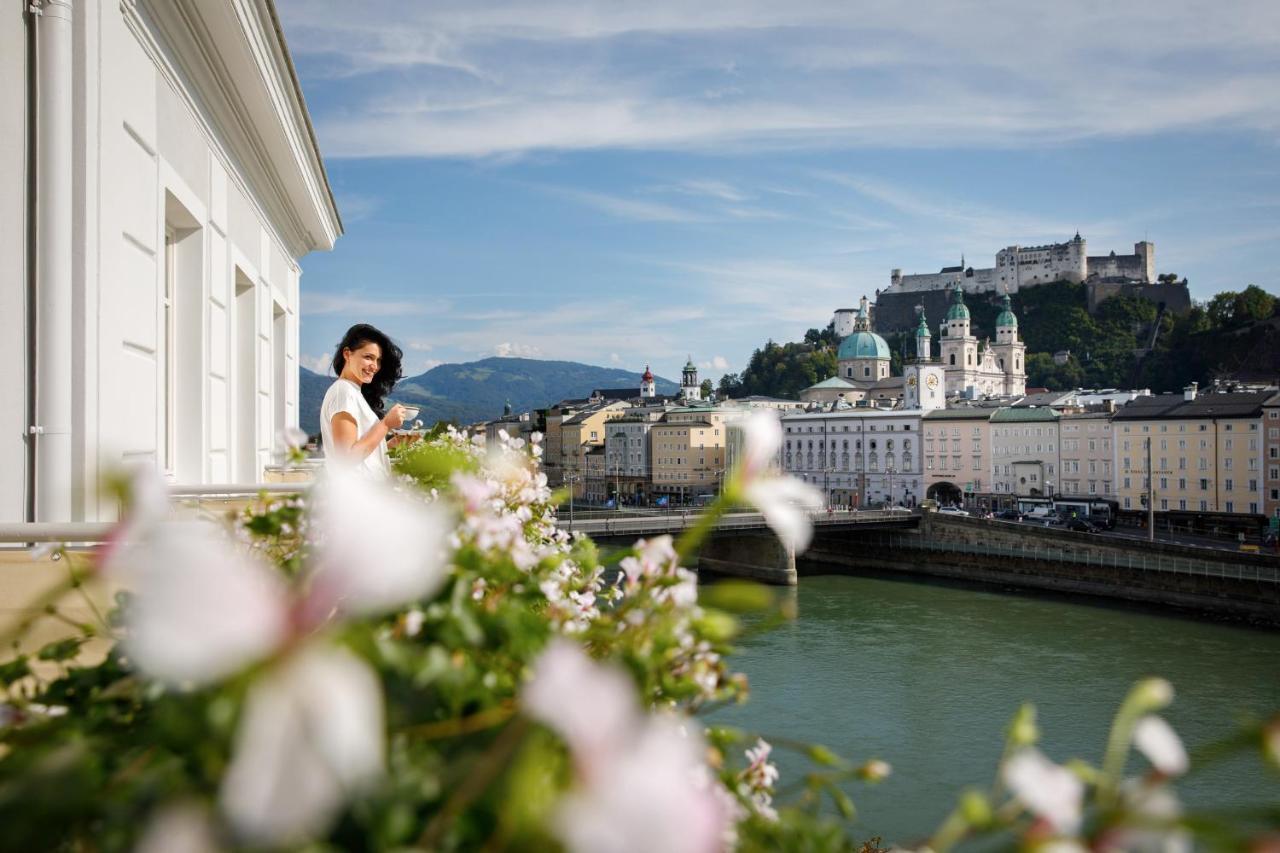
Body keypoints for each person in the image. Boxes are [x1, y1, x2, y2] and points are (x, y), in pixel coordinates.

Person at [319, 324, 408, 479]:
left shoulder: (352, 392)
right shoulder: (343, 392)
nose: (374, 366)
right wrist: (386, 424)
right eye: (368, 357)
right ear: (347, 354)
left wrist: (389, 445)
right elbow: (347, 459)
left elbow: (359, 452)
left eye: (378, 360)